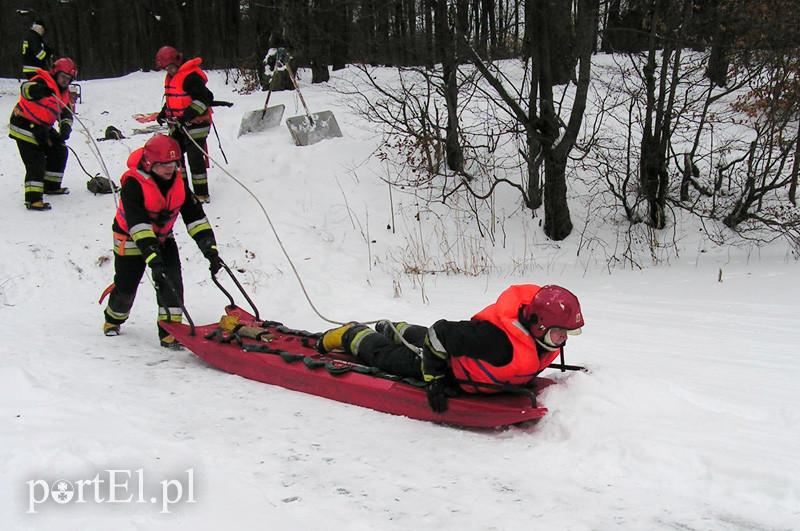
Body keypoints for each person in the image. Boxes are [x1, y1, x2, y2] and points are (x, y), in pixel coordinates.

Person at [317, 284, 584, 413]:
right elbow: (440, 332)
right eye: (559, 334)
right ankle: (352, 334)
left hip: (457, 347)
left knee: (436, 339)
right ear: (539, 325)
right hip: (445, 365)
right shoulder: (496, 342)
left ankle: (394, 328)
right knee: (384, 357)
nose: (564, 340)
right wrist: (434, 379)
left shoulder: (538, 340)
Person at [101, 134, 223, 349]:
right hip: (130, 240)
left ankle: (170, 332)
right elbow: (137, 224)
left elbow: (195, 217)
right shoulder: (133, 184)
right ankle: (113, 319)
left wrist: (209, 249)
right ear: (150, 163)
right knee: (126, 287)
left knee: (172, 281)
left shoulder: (178, 183)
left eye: (173, 163)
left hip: (163, 238)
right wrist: (152, 257)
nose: (169, 169)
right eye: (163, 164)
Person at [8, 57, 76, 211]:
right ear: (55, 73)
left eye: (68, 79)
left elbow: (67, 114)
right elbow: (25, 89)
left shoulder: (64, 94)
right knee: (36, 160)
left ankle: (51, 186)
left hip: (42, 126)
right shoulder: (42, 80)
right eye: (63, 77)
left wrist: (65, 128)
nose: (65, 81)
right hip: (23, 123)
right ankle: (33, 199)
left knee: (59, 149)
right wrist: (40, 90)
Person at [154, 45, 214, 203]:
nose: (169, 71)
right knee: (173, 155)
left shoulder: (191, 77)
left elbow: (205, 99)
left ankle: (201, 193)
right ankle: (181, 189)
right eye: (166, 68)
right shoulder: (173, 78)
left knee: (195, 157)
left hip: (197, 124)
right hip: (178, 124)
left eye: (171, 67)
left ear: (177, 61)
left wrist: (187, 115)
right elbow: (174, 99)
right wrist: (163, 113)